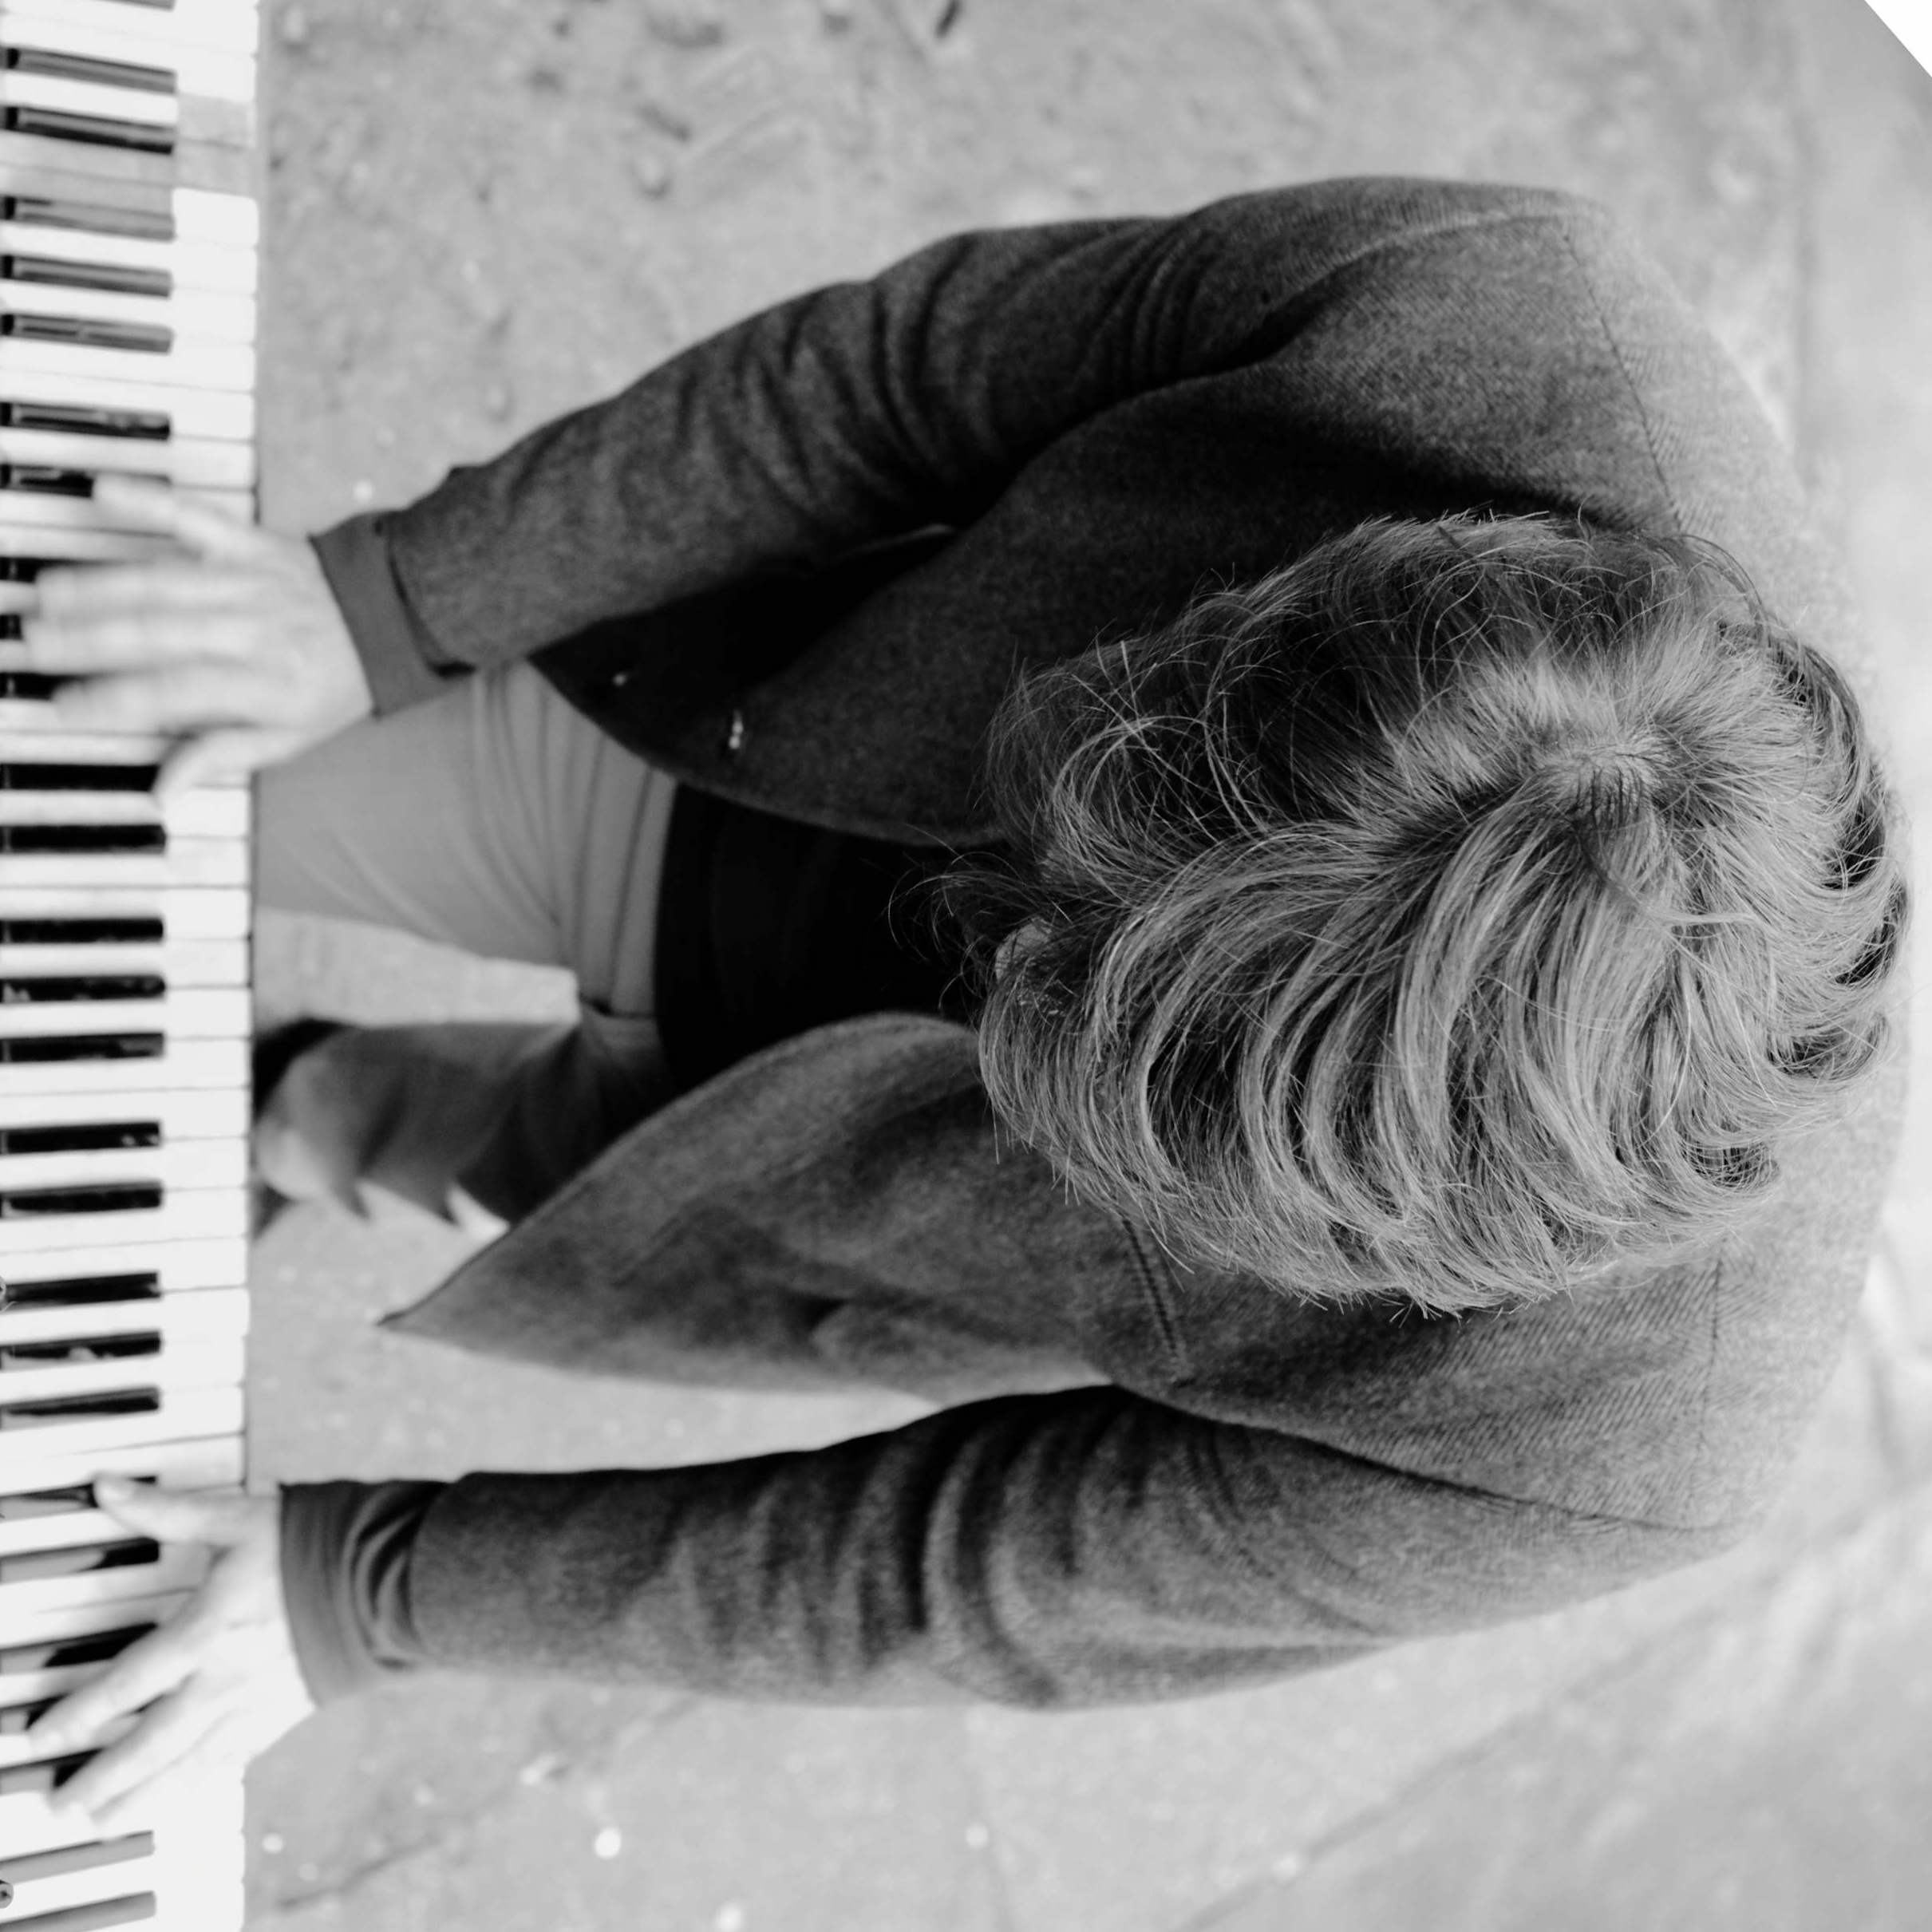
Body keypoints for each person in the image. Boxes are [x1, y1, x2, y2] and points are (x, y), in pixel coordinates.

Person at [3, 176, 1907, 1830]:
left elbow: (971, 1578)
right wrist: (375, 608)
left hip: (817, 1203)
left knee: (457, 1157)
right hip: (734, 759)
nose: (994, 977)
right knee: (79, 751)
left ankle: (302, 1112)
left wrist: (360, 1590)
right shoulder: (1498, 311)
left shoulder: (1626, 1453)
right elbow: (901, 377)